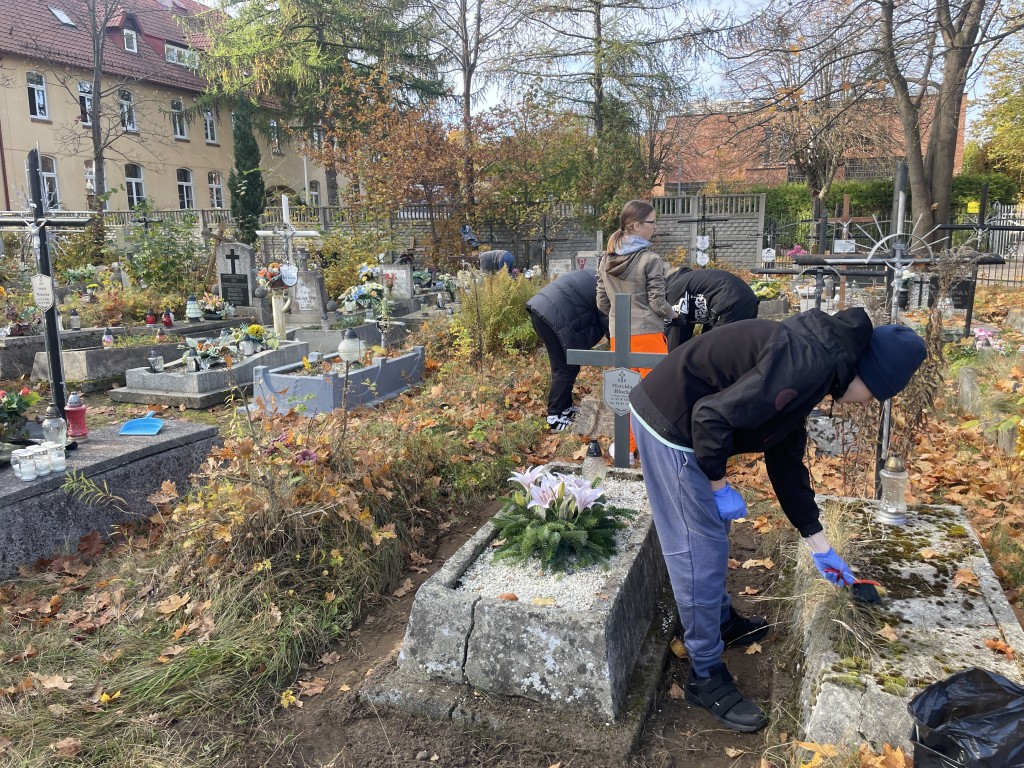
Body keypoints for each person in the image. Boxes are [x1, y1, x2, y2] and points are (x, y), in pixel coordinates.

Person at [628, 308, 926, 733]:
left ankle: (719, 622)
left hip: (689, 422)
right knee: (700, 548)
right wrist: (716, 486)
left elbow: (785, 457)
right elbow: (709, 419)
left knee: (711, 537)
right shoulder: (808, 364)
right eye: (874, 395)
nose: (867, 404)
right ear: (869, 374)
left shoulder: (817, 364)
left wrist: (819, 544)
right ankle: (705, 673)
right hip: (671, 425)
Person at [596, 199, 677, 461]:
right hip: (648, 335)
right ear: (635, 225)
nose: (655, 227)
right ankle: (658, 449)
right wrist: (674, 313)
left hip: (618, 335)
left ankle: (627, 448)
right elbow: (657, 302)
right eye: (652, 223)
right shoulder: (650, 259)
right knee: (657, 394)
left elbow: (601, 302)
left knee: (626, 393)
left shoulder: (606, 259)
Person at [526, 269, 609, 431]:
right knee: (565, 368)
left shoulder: (601, 276)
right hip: (551, 315)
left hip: (544, 310)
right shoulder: (607, 286)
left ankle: (565, 407)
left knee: (569, 364)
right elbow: (606, 317)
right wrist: (616, 343)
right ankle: (554, 416)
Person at [664, 267, 760, 351]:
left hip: (731, 302)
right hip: (743, 300)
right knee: (711, 346)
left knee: (713, 349)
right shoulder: (685, 282)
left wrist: (670, 361)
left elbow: (677, 330)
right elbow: (685, 325)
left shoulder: (674, 289)